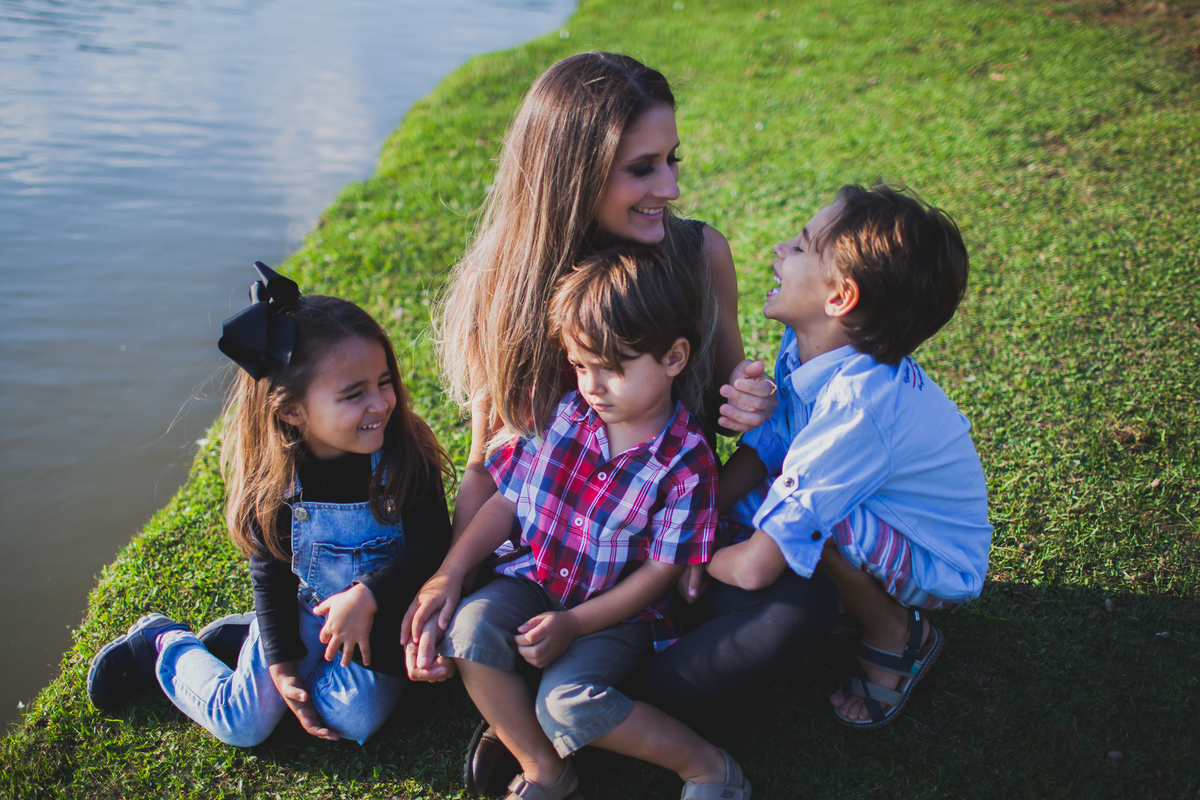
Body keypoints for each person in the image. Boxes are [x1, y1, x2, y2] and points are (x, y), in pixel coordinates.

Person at [436, 48, 836, 724]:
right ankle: (575, 705)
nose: (671, 188)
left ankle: (577, 707)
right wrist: (451, 577)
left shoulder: (700, 255)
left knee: (801, 608)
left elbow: (737, 434)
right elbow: (486, 466)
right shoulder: (505, 290)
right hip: (546, 560)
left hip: (666, 555)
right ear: (573, 174)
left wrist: (749, 409)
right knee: (465, 621)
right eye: (643, 168)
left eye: (672, 159)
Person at [406, 246, 751, 800]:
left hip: (617, 612)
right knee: (467, 632)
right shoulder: (565, 415)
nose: (593, 385)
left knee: (566, 703)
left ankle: (708, 767)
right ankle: (545, 769)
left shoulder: (687, 462)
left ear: (674, 357)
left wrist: (574, 625)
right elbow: (508, 503)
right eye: (582, 365)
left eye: (614, 368)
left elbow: (660, 573)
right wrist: (452, 570)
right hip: (533, 580)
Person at [86, 262, 455, 746]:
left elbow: (432, 542)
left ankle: (246, 643)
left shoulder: (405, 451)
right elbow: (271, 572)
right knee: (244, 723)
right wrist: (280, 666)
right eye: (354, 394)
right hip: (307, 610)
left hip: (387, 617)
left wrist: (369, 595)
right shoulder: (279, 480)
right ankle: (162, 644)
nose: (381, 403)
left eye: (384, 381)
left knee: (352, 716)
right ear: (292, 411)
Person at [708, 184, 992, 729]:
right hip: (883, 515)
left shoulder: (858, 405)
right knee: (770, 504)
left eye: (799, 246)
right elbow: (775, 443)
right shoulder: (812, 349)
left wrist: (683, 553)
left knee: (810, 518)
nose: (779, 249)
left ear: (839, 298)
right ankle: (846, 599)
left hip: (937, 560)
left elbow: (753, 567)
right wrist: (702, 509)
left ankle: (896, 630)